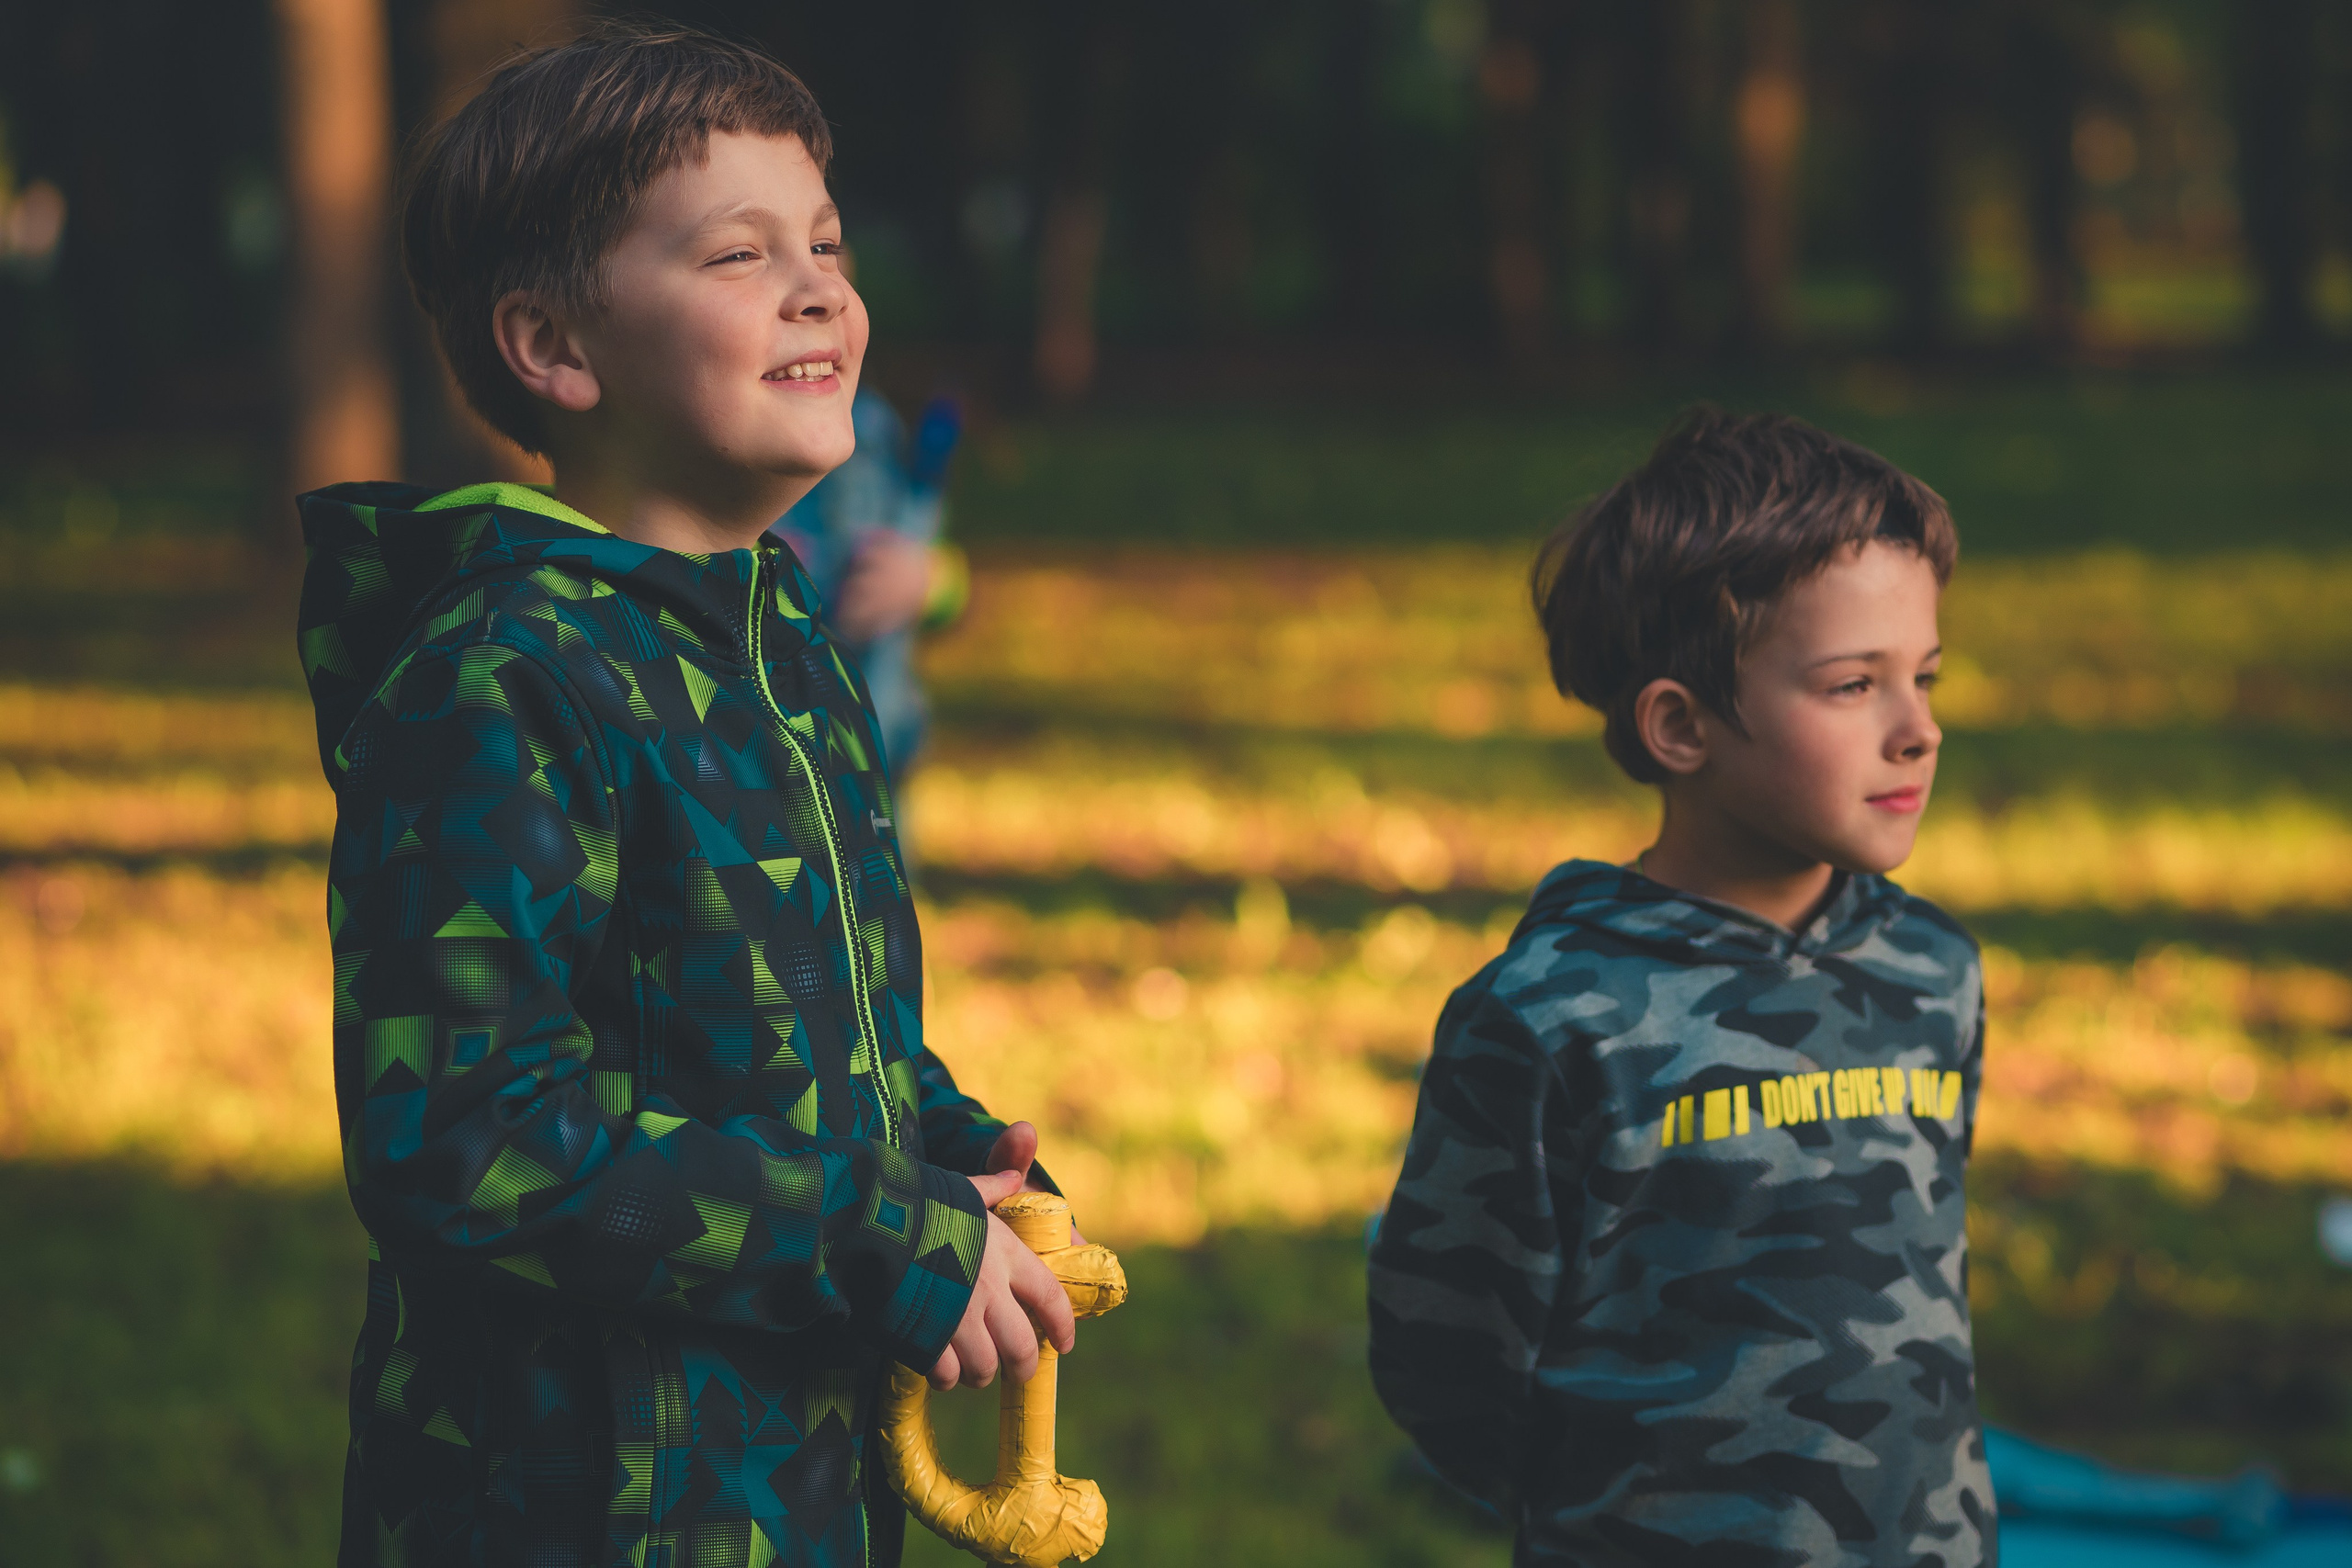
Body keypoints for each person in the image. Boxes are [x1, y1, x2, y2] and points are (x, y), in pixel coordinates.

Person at [293, 24, 1075, 1566]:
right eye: (738, 252)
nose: (818, 289)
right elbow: (465, 1138)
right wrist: (878, 1233)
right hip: (582, 1505)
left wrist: (943, 1152)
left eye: (827, 245)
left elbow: (786, 1027)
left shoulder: (783, 649)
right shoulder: (501, 680)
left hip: (791, 1484)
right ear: (555, 348)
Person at [1367, 409, 1996, 1565]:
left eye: (1924, 677)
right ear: (1680, 725)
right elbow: (1447, 1363)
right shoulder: (1552, 1019)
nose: (1919, 730)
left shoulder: (1933, 970)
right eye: (1853, 685)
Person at [773, 387, 967, 783]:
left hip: (886, 748)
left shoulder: (878, 429)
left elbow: (953, 597)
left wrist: (925, 579)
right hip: (792, 756)